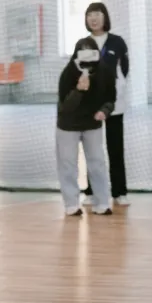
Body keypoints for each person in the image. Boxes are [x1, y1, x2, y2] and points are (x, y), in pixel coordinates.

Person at [56, 38, 115, 217]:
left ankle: (102, 202)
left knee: (97, 162)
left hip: (92, 124)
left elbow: (110, 98)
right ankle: (71, 204)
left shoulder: (105, 72)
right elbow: (65, 107)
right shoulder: (68, 73)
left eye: (91, 51)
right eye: (83, 51)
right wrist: (79, 91)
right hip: (68, 125)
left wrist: (104, 111)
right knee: (67, 164)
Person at [80, 2, 130, 207]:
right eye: (90, 15)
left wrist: (115, 89)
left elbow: (124, 69)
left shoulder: (117, 42)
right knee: (92, 149)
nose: (93, 19)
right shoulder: (83, 44)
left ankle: (120, 192)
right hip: (90, 104)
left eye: (97, 14)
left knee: (115, 148)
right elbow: (80, 71)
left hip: (114, 104)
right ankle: (92, 191)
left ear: (105, 17)